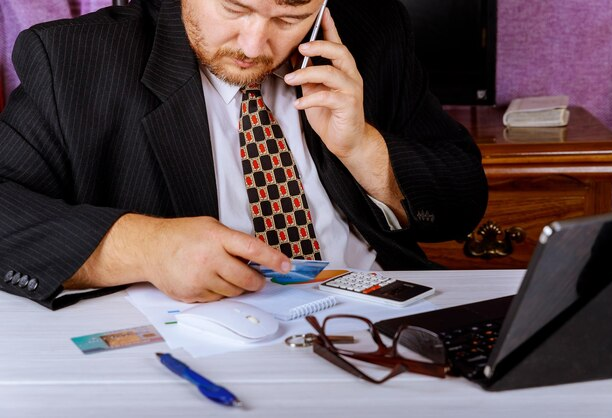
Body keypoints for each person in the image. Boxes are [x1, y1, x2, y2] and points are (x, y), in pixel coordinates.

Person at [0, 0, 488, 310]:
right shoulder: (73, 59)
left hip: (378, 311)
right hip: (209, 334)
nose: (256, 46)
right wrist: (145, 246)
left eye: (289, 17)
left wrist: (363, 148)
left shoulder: (370, 27)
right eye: (234, 9)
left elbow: (460, 204)